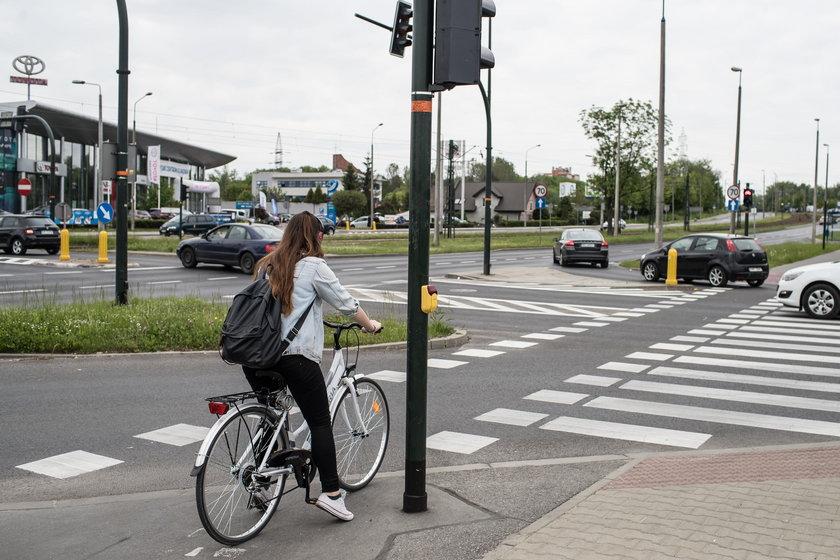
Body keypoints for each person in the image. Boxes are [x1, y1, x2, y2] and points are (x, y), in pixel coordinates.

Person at [243, 211, 381, 522]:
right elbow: (347, 304)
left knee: (273, 415)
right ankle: (332, 494)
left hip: (255, 358)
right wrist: (369, 325)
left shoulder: (267, 264)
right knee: (320, 422)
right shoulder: (314, 267)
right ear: (316, 237)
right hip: (294, 357)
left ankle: (260, 478)